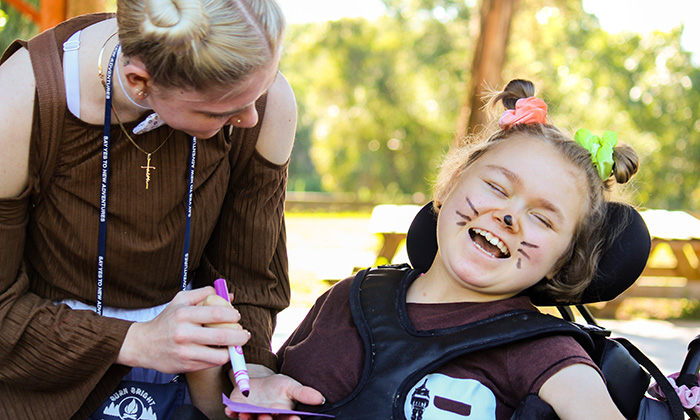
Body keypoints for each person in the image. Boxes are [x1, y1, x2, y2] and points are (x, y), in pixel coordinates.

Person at [0, 0, 321, 418]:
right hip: (40, 381)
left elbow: (249, 278)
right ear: (139, 83)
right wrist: (138, 341)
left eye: (261, 90)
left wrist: (255, 370)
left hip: (193, 384)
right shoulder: (20, 102)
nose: (250, 118)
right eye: (220, 111)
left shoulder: (267, 109)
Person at [275, 79, 640, 420]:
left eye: (543, 219)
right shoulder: (348, 297)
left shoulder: (546, 353)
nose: (509, 217)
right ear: (451, 183)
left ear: (562, 261)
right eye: (497, 188)